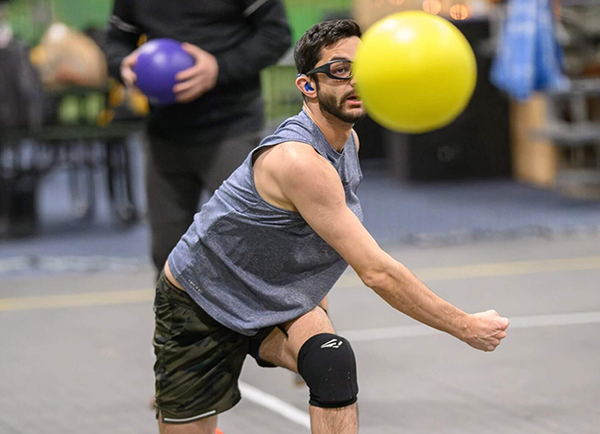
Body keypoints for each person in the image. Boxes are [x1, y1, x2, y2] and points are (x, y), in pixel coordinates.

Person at [154, 19, 510, 434]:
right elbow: (377, 272)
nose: (356, 81)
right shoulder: (299, 160)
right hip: (200, 301)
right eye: (340, 70)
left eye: (364, 68)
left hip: (271, 296)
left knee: (331, 360)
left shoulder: (348, 142)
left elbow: (313, 235)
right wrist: (465, 326)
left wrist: (313, 307)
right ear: (307, 86)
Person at [103, 0, 292, 272]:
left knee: (249, 251)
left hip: (232, 128)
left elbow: (276, 35)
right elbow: (117, 40)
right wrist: (123, 65)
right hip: (164, 135)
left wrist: (219, 68)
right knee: (168, 258)